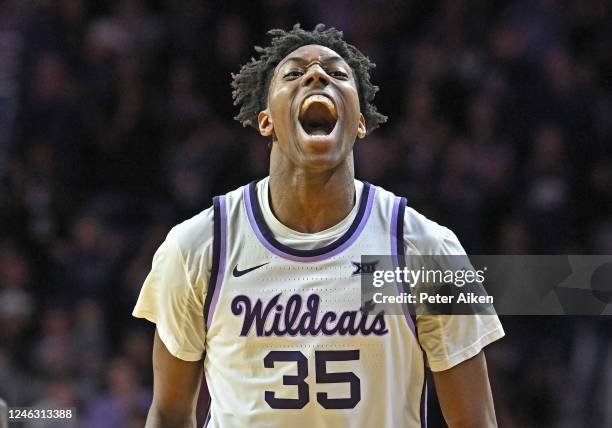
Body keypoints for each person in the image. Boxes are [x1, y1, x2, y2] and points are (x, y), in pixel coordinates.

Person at [133, 23, 504, 428]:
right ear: (265, 121)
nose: (317, 76)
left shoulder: (424, 250)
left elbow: (474, 421)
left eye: (338, 74)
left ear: (360, 122)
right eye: (293, 74)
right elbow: (169, 413)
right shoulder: (200, 247)